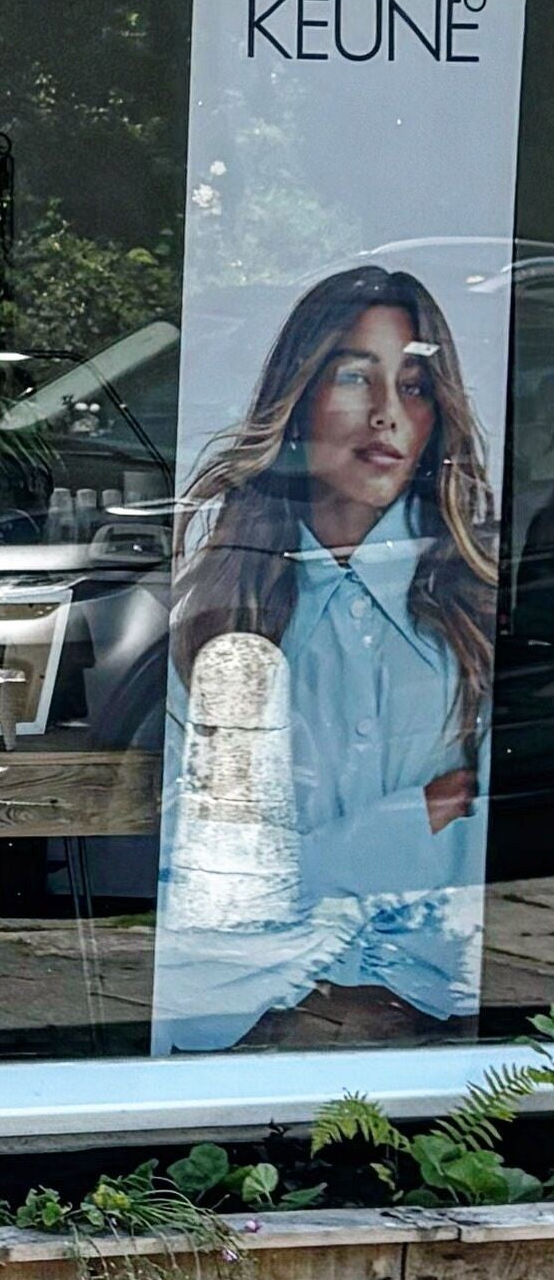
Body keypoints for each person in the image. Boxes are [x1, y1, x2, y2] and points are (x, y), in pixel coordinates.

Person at [157, 264, 499, 1050]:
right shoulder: (224, 616)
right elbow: (213, 877)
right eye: (355, 375)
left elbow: (490, 843)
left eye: (413, 386)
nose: (385, 413)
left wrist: (316, 851)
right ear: (299, 397)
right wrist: (412, 816)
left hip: (435, 1031)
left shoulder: (474, 618)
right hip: (243, 1017)